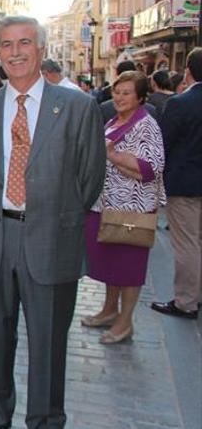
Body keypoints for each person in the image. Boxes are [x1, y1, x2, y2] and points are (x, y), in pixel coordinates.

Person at [0, 16, 105, 429]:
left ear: (42, 50)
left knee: (47, 344)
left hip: (50, 241)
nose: (15, 52)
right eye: (6, 44)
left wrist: (54, 214)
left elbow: (90, 178)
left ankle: (44, 420)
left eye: (25, 42)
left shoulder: (78, 107)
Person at [81, 71, 166, 343]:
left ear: (140, 97)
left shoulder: (146, 125)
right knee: (109, 262)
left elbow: (151, 168)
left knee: (129, 267)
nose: (119, 97)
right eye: (117, 91)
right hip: (107, 204)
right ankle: (109, 310)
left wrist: (113, 155)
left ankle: (125, 322)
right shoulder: (114, 119)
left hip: (132, 210)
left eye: (127, 92)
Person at [152, 47, 202, 320]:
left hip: (185, 184)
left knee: (186, 244)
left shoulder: (182, 104)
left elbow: (164, 143)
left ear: (189, 71)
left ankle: (186, 301)